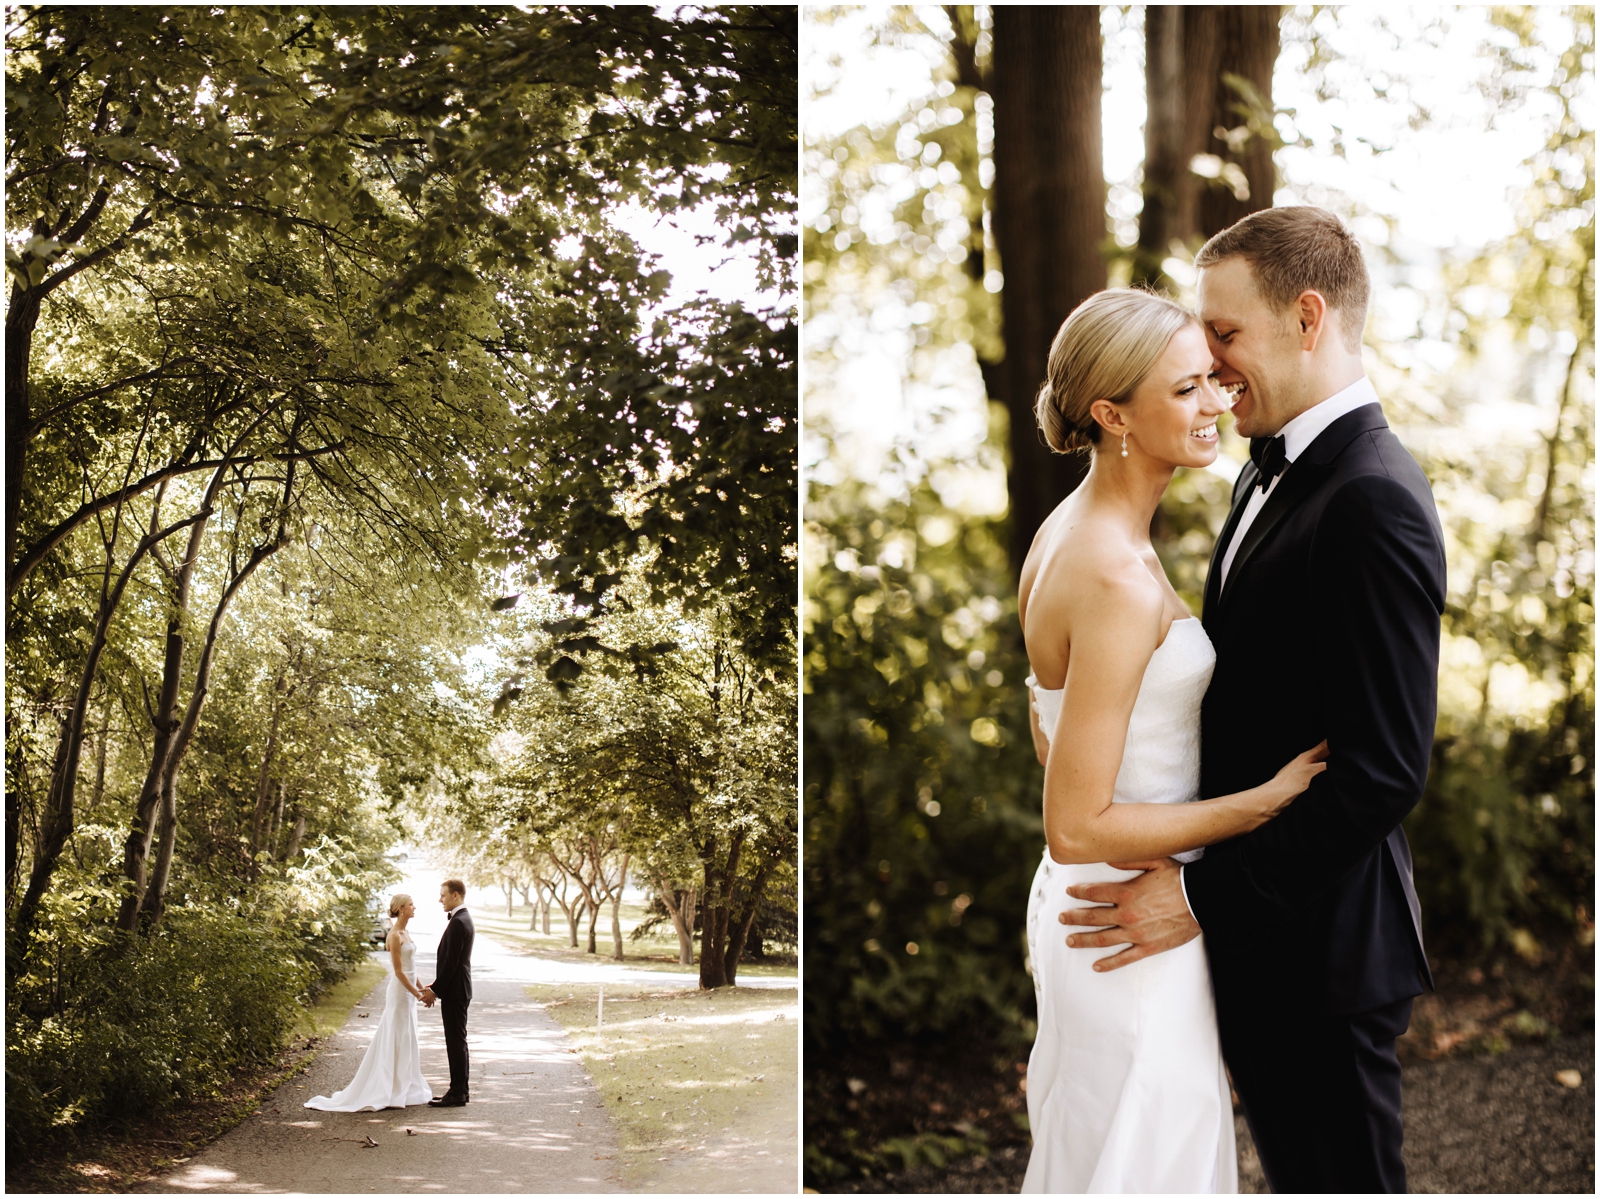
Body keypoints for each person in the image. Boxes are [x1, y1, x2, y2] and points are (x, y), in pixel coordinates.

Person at [1057, 207, 1444, 1193]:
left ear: (1306, 319)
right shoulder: (1262, 475)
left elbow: (1380, 774)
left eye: (1223, 334)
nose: (1210, 361)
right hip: (1262, 945)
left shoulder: (1370, 497)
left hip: (1323, 953)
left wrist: (1193, 894)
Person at [1017, 285, 1329, 1193]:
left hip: (1103, 907)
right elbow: (1073, 821)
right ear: (1112, 414)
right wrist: (1260, 803)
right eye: (1187, 389)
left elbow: (1056, 735)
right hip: (1126, 924)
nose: (1218, 403)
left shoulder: (1075, 533)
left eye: (1214, 380)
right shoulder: (1112, 571)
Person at [304, 894, 434, 1112]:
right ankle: (385, 1087)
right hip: (399, 993)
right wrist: (416, 994)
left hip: (409, 993)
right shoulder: (393, 935)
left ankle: (405, 1084)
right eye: (411, 904)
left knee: (407, 1035)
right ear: (401, 909)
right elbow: (399, 971)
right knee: (395, 1033)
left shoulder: (406, 932)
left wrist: (422, 988)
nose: (415, 907)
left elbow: (412, 969)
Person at [421, 879, 474, 1107]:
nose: (439, 900)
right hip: (458, 990)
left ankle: (457, 1093)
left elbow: (450, 964)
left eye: (443, 895)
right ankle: (461, 1090)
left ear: (455, 895)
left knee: (455, 1042)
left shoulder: (459, 922)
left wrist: (434, 990)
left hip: (455, 991)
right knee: (457, 1041)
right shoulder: (463, 919)